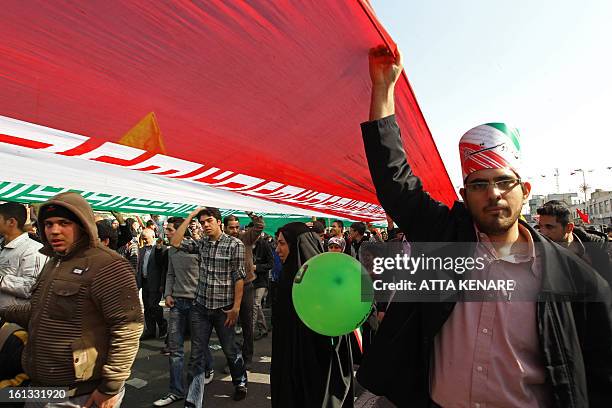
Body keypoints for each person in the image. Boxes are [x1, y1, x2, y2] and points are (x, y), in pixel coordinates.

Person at [356, 45, 612, 407]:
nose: (493, 193)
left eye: (503, 182)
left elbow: (600, 378)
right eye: (479, 184)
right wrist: (383, 88)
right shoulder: (446, 239)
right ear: (464, 194)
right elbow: (395, 182)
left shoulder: (576, 280)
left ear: (524, 191)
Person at [0, 192, 143, 407]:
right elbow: (39, 311)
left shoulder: (109, 264)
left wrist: (110, 387)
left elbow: (127, 329)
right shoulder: (54, 262)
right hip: (41, 388)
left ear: (83, 225)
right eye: (48, 224)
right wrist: (4, 312)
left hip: (78, 395)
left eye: (64, 223)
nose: (54, 230)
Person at [271, 222, 354, 408]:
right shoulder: (286, 276)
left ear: (298, 245)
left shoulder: (323, 280)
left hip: (315, 363)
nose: (277, 249)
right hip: (288, 360)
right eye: (277, 243)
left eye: (282, 243)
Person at [171, 207, 248, 406]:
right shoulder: (201, 243)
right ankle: (193, 400)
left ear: (219, 222)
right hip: (201, 308)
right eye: (202, 222)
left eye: (209, 221)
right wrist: (189, 216)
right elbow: (175, 242)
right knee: (196, 355)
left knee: (230, 349)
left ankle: (240, 381)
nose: (205, 225)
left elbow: (239, 277)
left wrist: (236, 308)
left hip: (224, 309)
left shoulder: (234, 244)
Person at [223, 213, 264, 368]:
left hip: (246, 287)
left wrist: (252, 214)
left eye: (236, 227)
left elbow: (259, 226)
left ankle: (247, 359)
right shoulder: (221, 242)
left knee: (247, 325)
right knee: (228, 327)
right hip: (228, 288)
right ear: (224, 228)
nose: (234, 230)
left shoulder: (245, 238)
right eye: (231, 227)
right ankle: (232, 361)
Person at [537, 200, 612, 285]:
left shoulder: (600, 249)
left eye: (549, 227)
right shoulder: (535, 251)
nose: (542, 232)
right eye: (540, 226)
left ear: (569, 227)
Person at [0, 202, 47, 309]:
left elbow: (31, 287)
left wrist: (2, 281)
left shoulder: (34, 250)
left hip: (12, 320)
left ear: (11, 222)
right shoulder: (2, 244)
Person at [137, 228, 167, 340]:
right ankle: (150, 330)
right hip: (145, 282)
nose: (144, 241)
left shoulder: (161, 249)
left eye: (146, 239)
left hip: (156, 282)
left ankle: (162, 325)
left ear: (152, 237)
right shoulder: (142, 250)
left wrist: (162, 284)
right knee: (147, 307)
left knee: (154, 306)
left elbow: (163, 268)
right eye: (143, 239)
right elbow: (140, 267)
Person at [252, 234, 273, 340]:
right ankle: (263, 329)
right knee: (257, 305)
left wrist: (257, 267)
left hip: (261, 280)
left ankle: (249, 333)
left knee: (255, 304)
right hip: (251, 280)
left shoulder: (264, 245)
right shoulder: (247, 243)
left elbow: (271, 263)